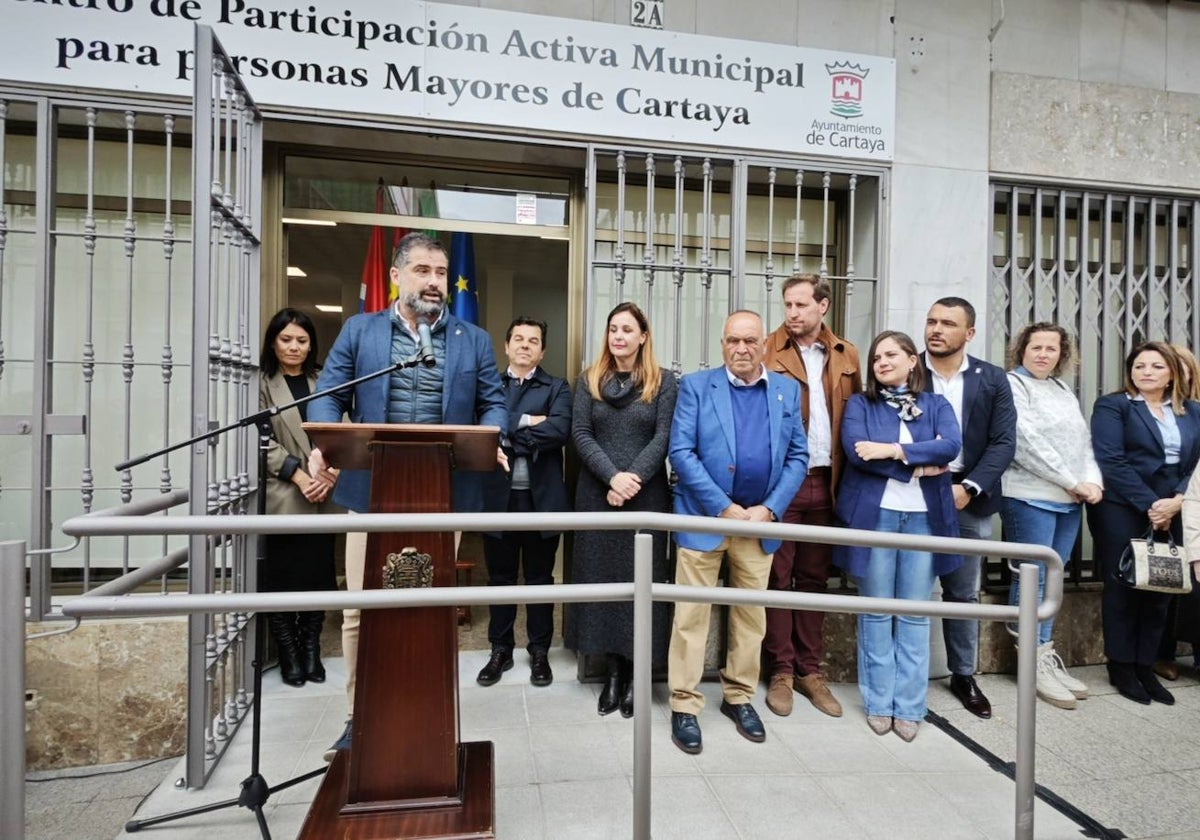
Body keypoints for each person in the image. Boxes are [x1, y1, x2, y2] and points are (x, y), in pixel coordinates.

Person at [307, 231, 507, 757]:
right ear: (396, 276)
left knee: (432, 607)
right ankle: (358, 717)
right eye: (423, 270)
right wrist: (325, 442)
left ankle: (428, 711)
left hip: (446, 489)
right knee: (360, 610)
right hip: (371, 490)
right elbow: (330, 396)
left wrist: (494, 437)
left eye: (441, 273)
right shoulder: (360, 330)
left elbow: (494, 404)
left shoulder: (474, 339)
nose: (435, 282)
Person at [667, 310, 808, 755]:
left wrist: (769, 508)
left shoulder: (787, 391)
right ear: (722, 343)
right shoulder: (695, 385)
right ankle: (685, 704)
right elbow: (681, 452)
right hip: (705, 519)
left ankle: (739, 697)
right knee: (691, 617)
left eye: (750, 341)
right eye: (733, 341)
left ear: (764, 343)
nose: (741, 349)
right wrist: (722, 507)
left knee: (751, 618)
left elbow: (798, 458)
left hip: (757, 525)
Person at [834, 330, 962, 742]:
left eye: (892, 355)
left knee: (913, 611)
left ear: (913, 360)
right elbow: (856, 451)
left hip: (925, 518)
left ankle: (909, 705)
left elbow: (951, 447)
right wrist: (919, 463)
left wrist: (892, 451)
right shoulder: (860, 403)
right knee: (876, 610)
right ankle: (878, 702)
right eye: (876, 358)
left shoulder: (936, 403)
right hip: (877, 517)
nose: (882, 362)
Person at [567, 301, 677, 719]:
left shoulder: (664, 383)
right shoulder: (589, 380)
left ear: (643, 336)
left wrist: (631, 480)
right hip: (597, 496)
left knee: (641, 585)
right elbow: (580, 433)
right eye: (613, 328)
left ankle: (637, 677)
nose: (618, 336)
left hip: (645, 498)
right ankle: (612, 673)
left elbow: (664, 436)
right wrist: (612, 477)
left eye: (627, 329)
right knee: (607, 585)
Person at [762, 273, 861, 718]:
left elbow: (856, 416)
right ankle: (781, 670)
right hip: (785, 481)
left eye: (801, 305)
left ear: (823, 306)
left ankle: (810, 670)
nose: (793, 313)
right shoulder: (767, 349)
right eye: (788, 304)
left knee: (814, 580)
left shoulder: (847, 355)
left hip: (829, 480)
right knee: (777, 577)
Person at [1088, 341, 1200, 705]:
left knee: (1161, 587)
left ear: (1171, 374)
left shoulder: (1193, 411)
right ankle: (1120, 666)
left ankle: (1145, 665)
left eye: (1155, 366)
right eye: (1139, 366)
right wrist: (1152, 504)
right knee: (1124, 586)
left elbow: (1197, 464)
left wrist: (1177, 501)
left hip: (1175, 505)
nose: (1146, 372)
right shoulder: (1113, 406)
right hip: (1124, 504)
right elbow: (1111, 460)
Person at [921, 297, 1016, 719]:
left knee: (961, 591)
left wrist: (970, 487)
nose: (936, 329)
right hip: (914, 493)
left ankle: (963, 674)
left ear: (970, 333)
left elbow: (1003, 443)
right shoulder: (907, 370)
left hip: (968, 498)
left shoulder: (992, 379)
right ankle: (908, 676)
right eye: (931, 321)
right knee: (911, 589)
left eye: (948, 323)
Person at [1000, 323, 1102, 709]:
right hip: (1030, 496)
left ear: (1063, 354)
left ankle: (1045, 653)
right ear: (1021, 350)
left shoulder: (1062, 390)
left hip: (1069, 499)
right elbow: (1025, 443)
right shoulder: (1013, 385)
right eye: (1036, 347)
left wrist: (1091, 481)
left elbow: (1084, 442)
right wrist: (1072, 481)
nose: (1043, 354)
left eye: (1051, 349)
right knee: (1032, 579)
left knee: (1053, 583)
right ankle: (1030, 662)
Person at [476, 317, 572, 688]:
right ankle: (500, 650)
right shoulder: (489, 387)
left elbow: (560, 430)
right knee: (500, 579)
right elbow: (482, 429)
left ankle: (539, 652)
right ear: (506, 345)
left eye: (533, 340)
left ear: (542, 350)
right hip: (498, 499)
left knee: (539, 580)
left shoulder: (557, 386)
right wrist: (531, 422)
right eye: (518, 338)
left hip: (542, 501)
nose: (525, 345)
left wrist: (509, 433)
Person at [259, 308, 340, 687]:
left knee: (318, 574)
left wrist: (333, 471)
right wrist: (298, 473)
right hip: (285, 492)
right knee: (283, 576)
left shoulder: (324, 379)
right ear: (273, 342)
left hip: (324, 492)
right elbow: (259, 441)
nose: (294, 347)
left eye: (302, 341)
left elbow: (345, 428)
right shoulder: (260, 383)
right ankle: (289, 652)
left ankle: (311, 650)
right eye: (286, 339)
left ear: (312, 345)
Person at [1155, 344, 1200, 681]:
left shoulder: (1195, 411)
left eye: (1180, 367)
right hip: (1161, 503)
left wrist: (1182, 495)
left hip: (1186, 498)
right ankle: (1162, 652)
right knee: (1166, 578)